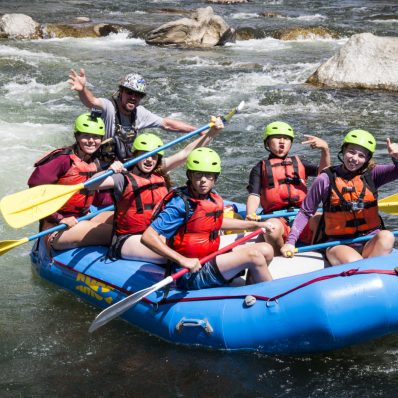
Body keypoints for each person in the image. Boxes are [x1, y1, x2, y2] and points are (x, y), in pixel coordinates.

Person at [88, 119, 225, 263]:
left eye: (154, 156)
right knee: (182, 254)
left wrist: (212, 132)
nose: (149, 160)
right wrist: (108, 171)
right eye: (145, 155)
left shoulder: (159, 172)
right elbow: (91, 185)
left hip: (158, 232)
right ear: (135, 155)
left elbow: (186, 153)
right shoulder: (122, 178)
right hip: (130, 239)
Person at [141, 147, 275, 290]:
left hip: (209, 259)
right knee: (254, 256)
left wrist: (252, 225)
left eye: (209, 175)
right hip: (190, 273)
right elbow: (148, 237)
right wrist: (182, 260)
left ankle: (251, 291)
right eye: (198, 175)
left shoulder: (211, 197)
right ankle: (273, 297)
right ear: (190, 176)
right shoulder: (180, 204)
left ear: (215, 178)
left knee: (266, 249)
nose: (203, 180)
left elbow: (217, 222)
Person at [280, 130, 398, 265]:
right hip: (339, 244)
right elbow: (305, 212)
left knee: (387, 236)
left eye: (361, 155)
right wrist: (290, 242)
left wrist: (396, 157)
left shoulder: (373, 174)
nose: (354, 158)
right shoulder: (325, 179)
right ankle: (368, 269)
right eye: (351, 152)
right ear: (343, 150)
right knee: (355, 262)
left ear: (367, 159)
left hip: (370, 240)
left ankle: (370, 270)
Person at [68, 68, 196, 163]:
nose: (133, 97)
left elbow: (167, 124)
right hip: (101, 162)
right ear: (121, 92)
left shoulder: (140, 112)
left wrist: (194, 130)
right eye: (130, 92)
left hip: (127, 163)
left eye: (138, 95)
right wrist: (82, 90)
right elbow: (92, 101)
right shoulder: (109, 107)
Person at [27, 112, 113, 250]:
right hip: (56, 226)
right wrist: (59, 218)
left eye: (96, 137)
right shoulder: (62, 160)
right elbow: (35, 191)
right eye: (86, 136)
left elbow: (100, 200)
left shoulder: (94, 161)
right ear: (77, 137)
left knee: (125, 221)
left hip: (83, 216)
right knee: (116, 232)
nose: (91, 141)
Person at [245, 121, 330, 254]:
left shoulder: (299, 163)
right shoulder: (259, 168)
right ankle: (279, 256)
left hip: (302, 216)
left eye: (286, 138)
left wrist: (325, 150)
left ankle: (317, 254)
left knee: (322, 220)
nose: (282, 142)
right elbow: (254, 195)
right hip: (276, 217)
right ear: (267, 143)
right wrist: (250, 213)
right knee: (271, 228)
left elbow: (325, 174)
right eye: (277, 138)